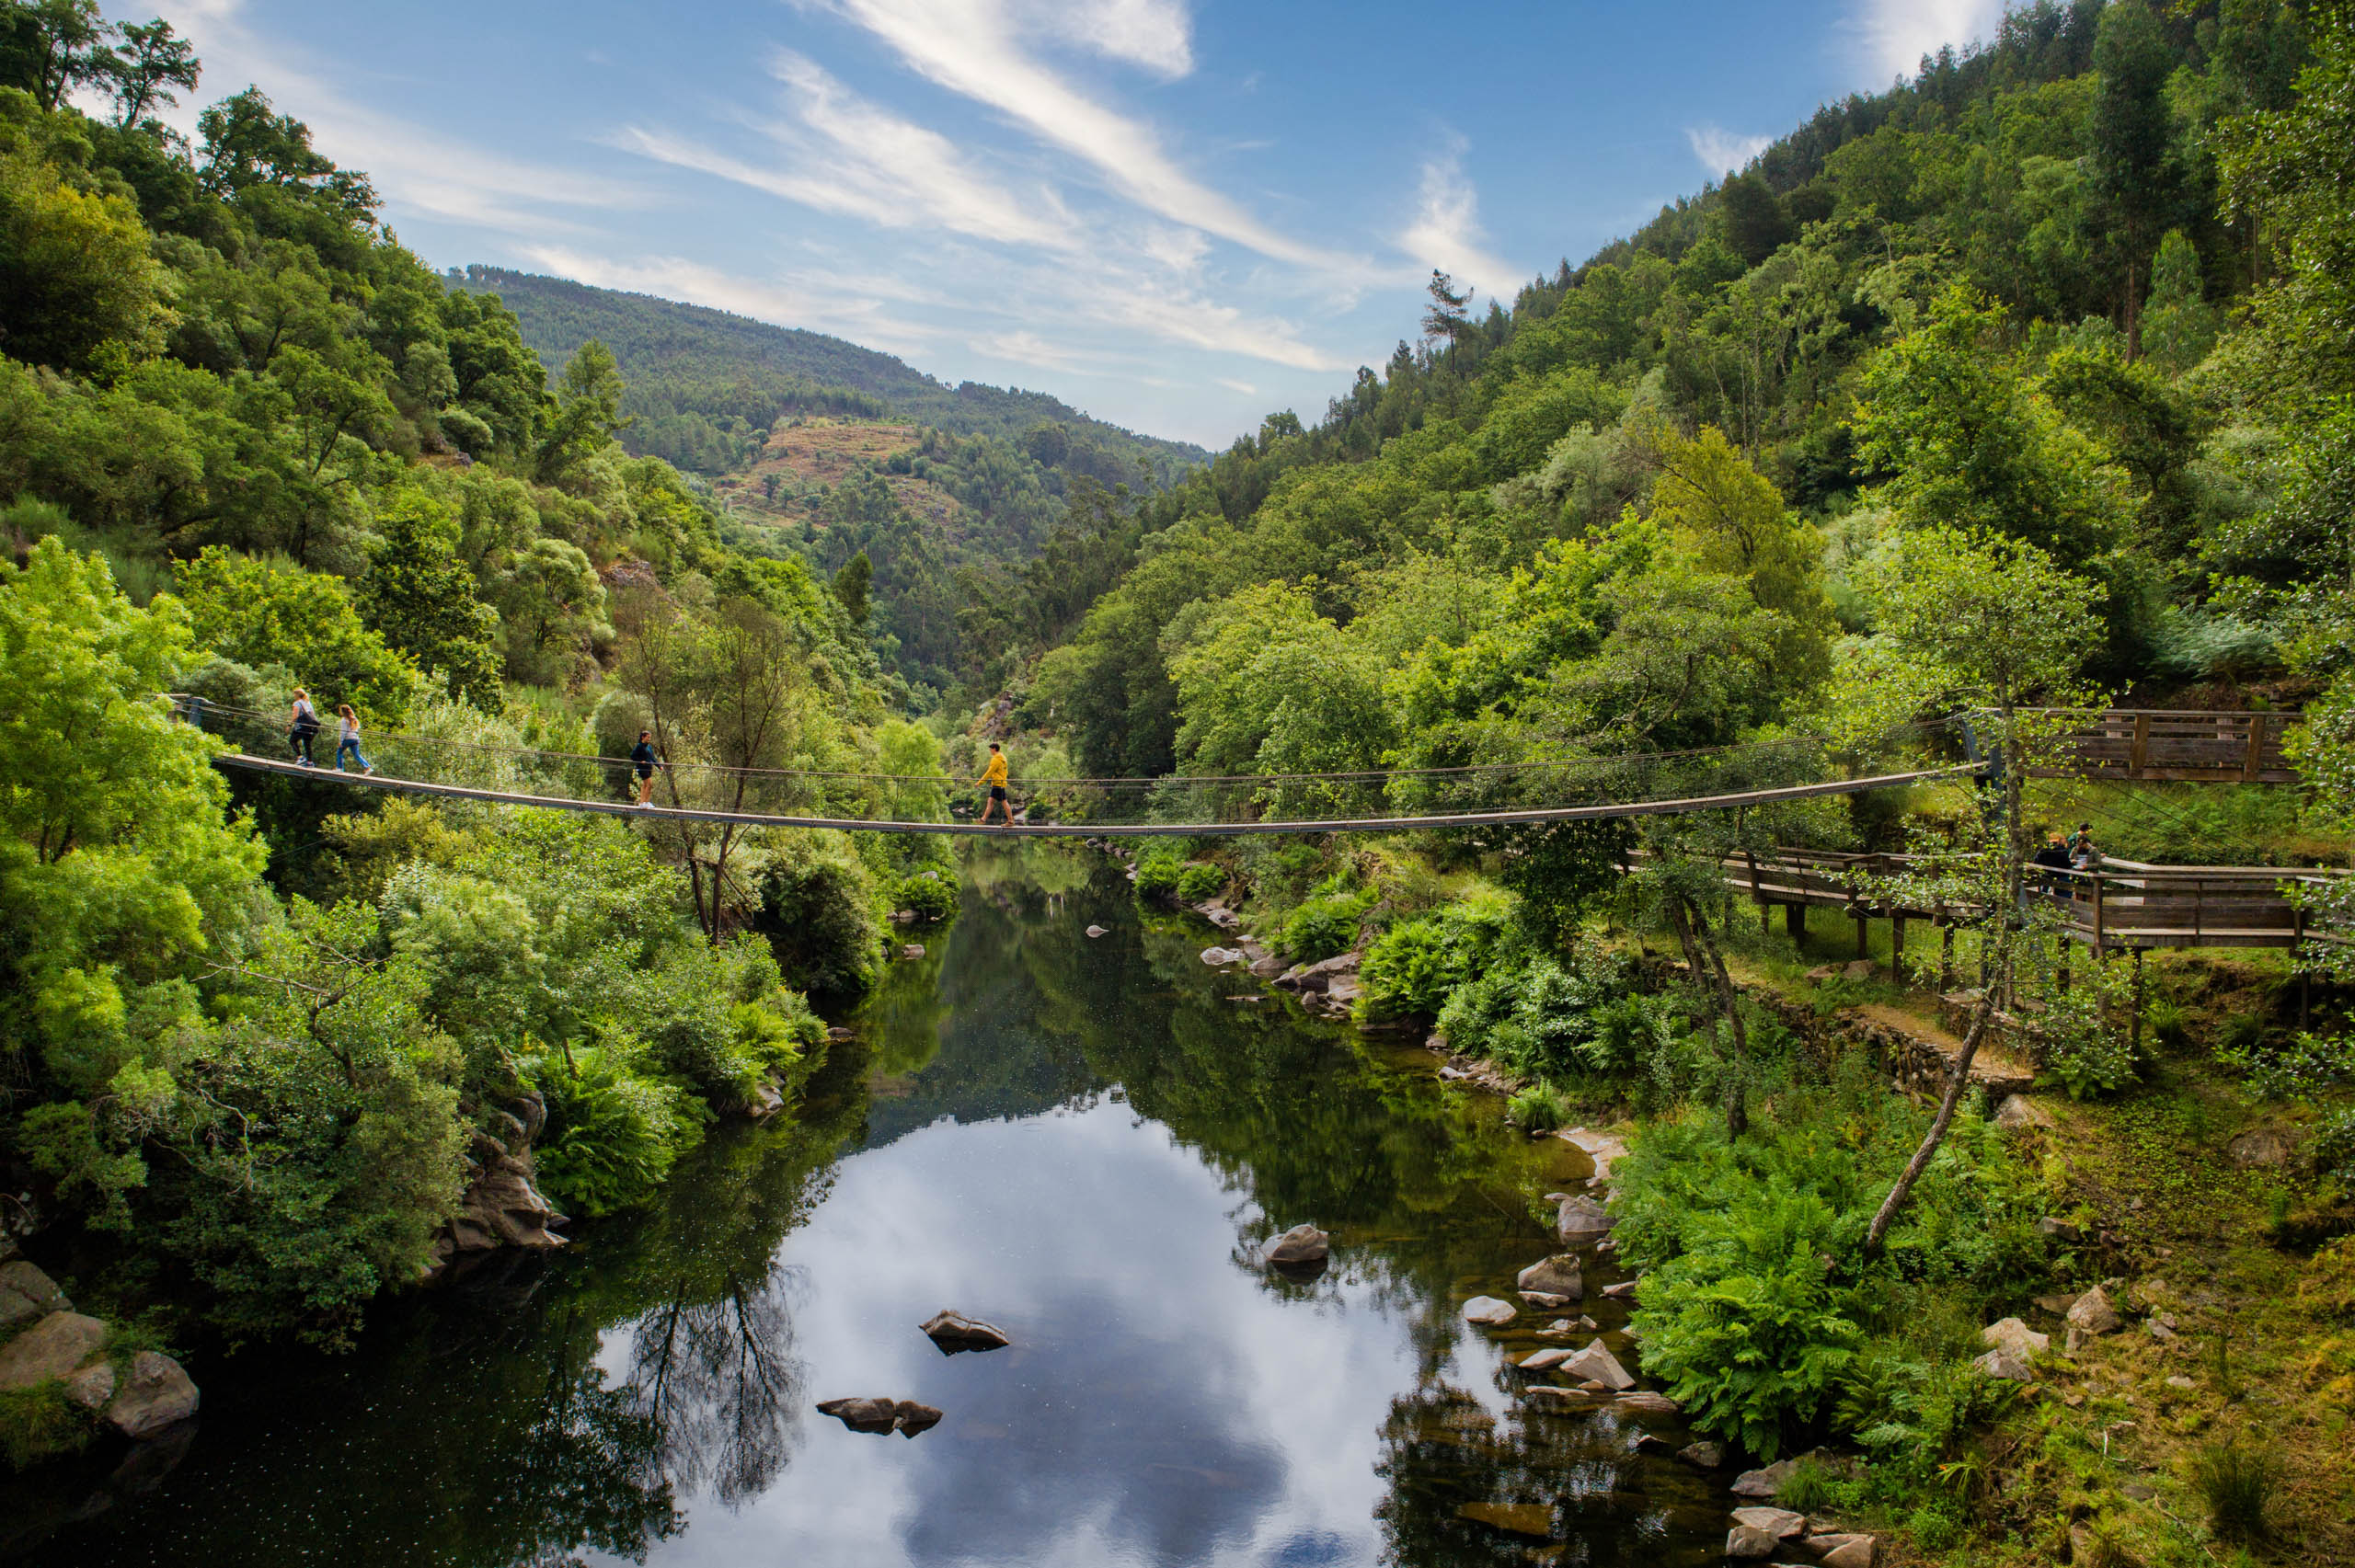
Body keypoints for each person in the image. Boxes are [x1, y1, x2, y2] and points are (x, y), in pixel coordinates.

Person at [974, 741, 1013, 828]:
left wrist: (979, 782)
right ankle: (983, 819)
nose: (990, 751)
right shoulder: (1003, 758)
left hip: (998, 784)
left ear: (994, 749)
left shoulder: (995, 759)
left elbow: (989, 772)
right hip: (1000, 783)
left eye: (990, 749)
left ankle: (1010, 821)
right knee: (991, 801)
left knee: (1003, 802)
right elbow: (1005, 771)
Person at [332, 704, 374, 774]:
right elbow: (357, 730)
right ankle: (368, 767)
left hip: (347, 739)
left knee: (339, 752)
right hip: (355, 739)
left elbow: (344, 732)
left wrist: (340, 741)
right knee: (357, 755)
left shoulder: (344, 720)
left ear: (342, 712)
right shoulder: (354, 719)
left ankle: (340, 768)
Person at [288, 688, 321, 765]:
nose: (294, 696)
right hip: (310, 727)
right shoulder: (308, 702)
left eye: (294, 694)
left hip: (301, 727)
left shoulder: (297, 703)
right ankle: (310, 762)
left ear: (297, 695)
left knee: (292, 741)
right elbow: (313, 714)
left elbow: (295, 716)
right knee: (307, 744)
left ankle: (300, 757)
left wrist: (289, 725)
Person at [630, 730, 661, 806]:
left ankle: (642, 803)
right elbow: (632, 756)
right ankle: (646, 802)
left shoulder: (649, 747)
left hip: (648, 768)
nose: (649, 739)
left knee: (645, 785)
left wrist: (659, 766)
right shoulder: (639, 746)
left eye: (650, 738)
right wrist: (640, 761)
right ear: (643, 737)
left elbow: (652, 757)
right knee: (649, 784)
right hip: (642, 768)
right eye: (648, 737)